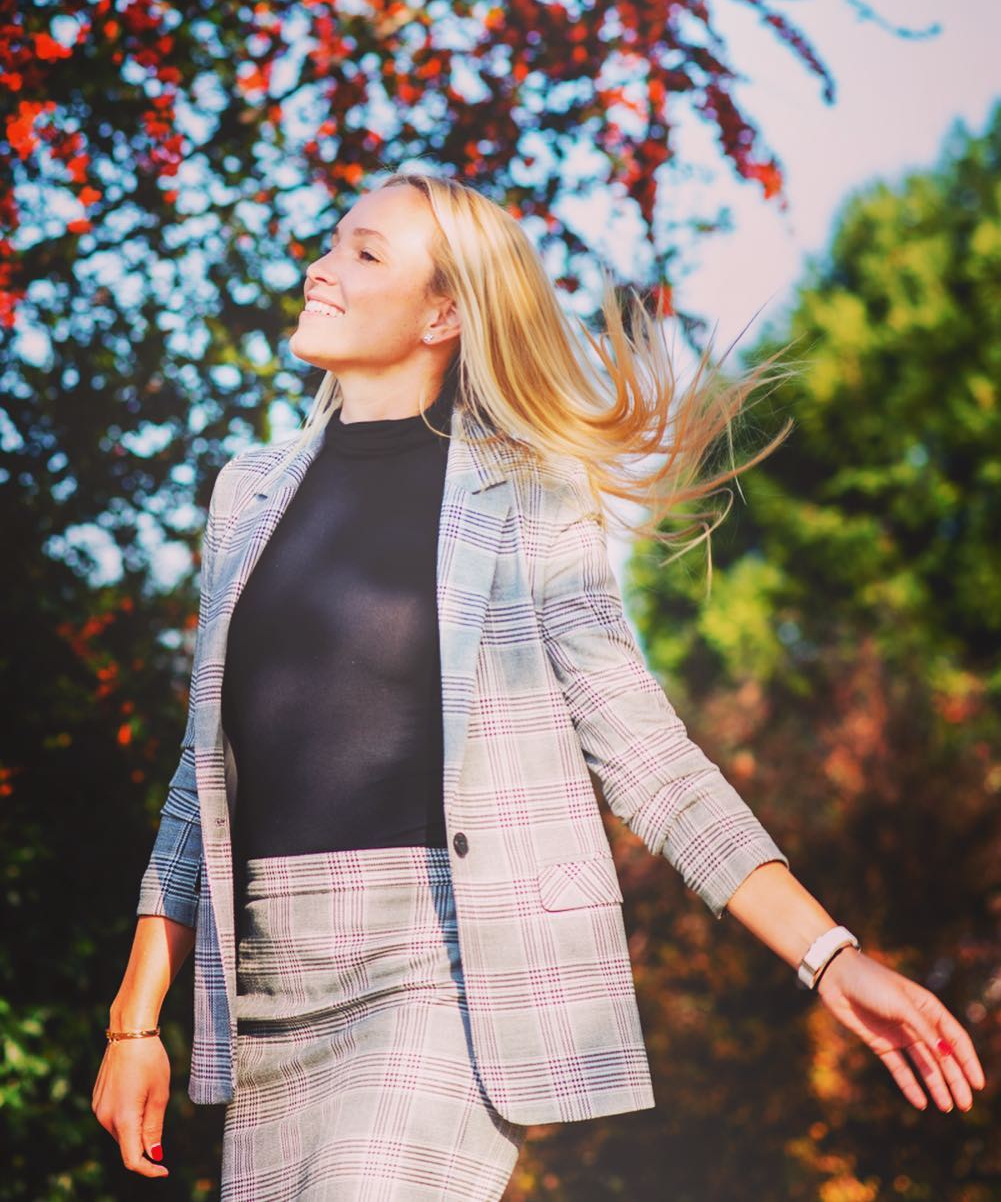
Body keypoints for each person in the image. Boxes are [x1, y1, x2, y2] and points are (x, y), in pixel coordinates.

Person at [92, 171, 986, 1199]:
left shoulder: (527, 496)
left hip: (434, 974)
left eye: (364, 254)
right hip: (265, 986)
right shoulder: (245, 495)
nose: (320, 269)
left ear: (443, 313)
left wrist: (826, 953)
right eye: (333, 244)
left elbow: (644, 753)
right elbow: (199, 781)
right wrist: (134, 1020)